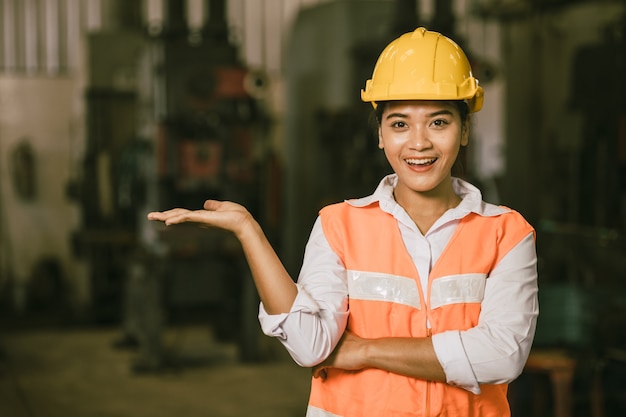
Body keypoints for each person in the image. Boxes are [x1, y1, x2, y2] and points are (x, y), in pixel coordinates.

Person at [147, 27, 538, 417]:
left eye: (439, 122)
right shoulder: (340, 226)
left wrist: (364, 349)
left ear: (465, 130)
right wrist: (249, 231)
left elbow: (502, 356)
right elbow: (309, 346)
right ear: (381, 135)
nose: (419, 142)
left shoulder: (507, 234)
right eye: (400, 124)